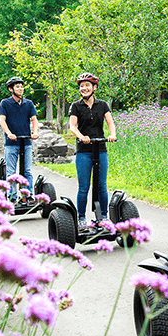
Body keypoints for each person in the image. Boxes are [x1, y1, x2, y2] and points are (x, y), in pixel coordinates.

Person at [68, 72, 116, 231]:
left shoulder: (102, 105)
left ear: (94, 87)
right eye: (81, 86)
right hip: (83, 151)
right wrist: (82, 137)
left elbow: (110, 122)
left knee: (102, 185)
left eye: (87, 85)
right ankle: (81, 218)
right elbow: (72, 127)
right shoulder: (76, 106)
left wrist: (112, 135)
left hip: (100, 148)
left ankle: (104, 217)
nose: (84, 88)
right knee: (84, 186)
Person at [0, 76, 39, 201]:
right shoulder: (5, 103)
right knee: (11, 172)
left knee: (27, 171)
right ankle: (12, 196)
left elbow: (34, 119)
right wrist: (9, 133)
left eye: (21, 86)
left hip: (26, 141)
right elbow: (1, 120)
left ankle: (28, 195)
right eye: (17, 86)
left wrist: (35, 132)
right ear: (11, 89)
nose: (20, 89)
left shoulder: (28, 103)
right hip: (11, 143)